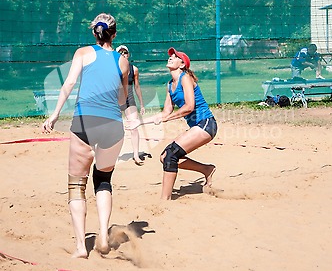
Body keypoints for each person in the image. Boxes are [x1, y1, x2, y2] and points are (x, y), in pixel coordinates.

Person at [42, 13, 129, 258]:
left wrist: (55, 115)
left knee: (76, 184)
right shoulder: (122, 61)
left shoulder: (82, 53)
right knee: (103, 180)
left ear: (94, 32)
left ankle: (81, 247)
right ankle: (103, 235)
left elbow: (68, 84)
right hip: (113, 124)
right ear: (114, 34)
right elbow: (123, 100)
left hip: (85, 121)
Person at [128, 47, 218, 200]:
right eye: (170, 56)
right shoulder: (170, 85)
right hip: (198, 126)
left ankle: (165, 200)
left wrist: (166, 119)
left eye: (175, 56)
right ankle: (207, 169)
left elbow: (189, 107)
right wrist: (140, 122)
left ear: (182, 64)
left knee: (171, 155)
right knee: (165, 157)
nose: (170, 57)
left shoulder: (185, 78)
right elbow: (165, 112)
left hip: (206, 124)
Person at [116, 44, 145, 165]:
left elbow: (137, 87)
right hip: (115, 100)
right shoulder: (113, 68)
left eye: (125, 52)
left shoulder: (134, 69)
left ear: (129, 55)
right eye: (121, 53)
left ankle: (136, 155)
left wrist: (142, 104)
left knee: (134, 126)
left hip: (129, 99)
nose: (123, 54)